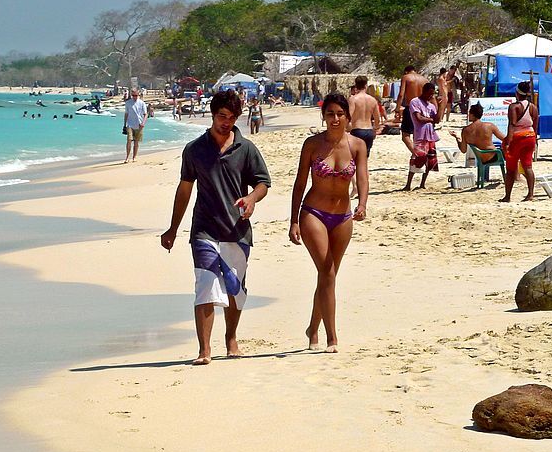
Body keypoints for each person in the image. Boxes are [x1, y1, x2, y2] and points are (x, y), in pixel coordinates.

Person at [160, 90, 271, 365]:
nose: (226, 122)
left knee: (235, 290)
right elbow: (185, 189)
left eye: (232, 118)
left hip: (236, 228)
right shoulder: (195, 150)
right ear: (212, 114)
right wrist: (173, 228)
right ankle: (204, 350)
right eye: (222, 116)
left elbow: (263, 183)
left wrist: (251, 198)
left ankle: (231, 338)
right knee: (206, 285)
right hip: (204, 229)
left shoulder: (246, 149)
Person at [289, 94, 368, 353]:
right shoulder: (312, 144)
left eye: (339, 114)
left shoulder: (357, 145)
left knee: (328, 277)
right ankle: (331, 337)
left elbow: (364, 178)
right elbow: (300, 183)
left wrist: (363, 204)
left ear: (347, 117)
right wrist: (293, 220)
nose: (334, 119)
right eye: (330, 113)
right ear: (324, 116)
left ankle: (312, 328)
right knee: (327, 271)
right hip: (314, 213)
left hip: (343, 216)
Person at [501, 81, 539, 202]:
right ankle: (531, 194)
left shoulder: (514, 106)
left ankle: (507, 196)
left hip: (517, 137)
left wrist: (508, 141)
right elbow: (535, 125)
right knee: (527, 166)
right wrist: (535, 139)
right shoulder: (533, 107)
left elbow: (512, 124)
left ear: (517, 92)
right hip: (530, 136)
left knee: (511, 168)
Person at [404, 83, 440, 191]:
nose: (430, 96)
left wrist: (439, 105)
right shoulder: (415, 102)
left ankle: (422, 183)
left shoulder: (431, 106)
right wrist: (430, 119)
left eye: (432, 94)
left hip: (430, 135)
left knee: (430, 160)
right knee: (417, 157)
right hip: (420, 134)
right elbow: (419, 118)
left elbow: (437, 119)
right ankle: (408, 184)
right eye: (429, 94)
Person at [395, 65, 427, 154]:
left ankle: (416, 153)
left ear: (406, 71)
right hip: (422, 109)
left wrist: (397, 109)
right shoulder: (424, 79)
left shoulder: (406, 77)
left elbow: (401, 94)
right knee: (419, 134)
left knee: (405, 135)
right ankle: (420, 152)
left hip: (411, 108)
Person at [347, 75, 381, 155]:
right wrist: (375, 130)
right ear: (366, 85)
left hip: (357, 130)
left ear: (356, 85)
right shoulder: (373, 100)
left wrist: (347, 128)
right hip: (369, 131)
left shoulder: (353, 99)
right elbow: (377, 119)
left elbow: (348, 116)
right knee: (365, 157)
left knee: (355, 157)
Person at [123, 88, 148, 162]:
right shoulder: (128, 103)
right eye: (133, 95)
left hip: (139, 124)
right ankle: (127, 157)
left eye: (136, 95)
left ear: (138, 95)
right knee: (129, 140)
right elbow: (126, 114)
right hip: (130, 124)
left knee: (136, 142)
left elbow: (146, 114)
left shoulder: (142, 103)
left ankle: (134, 157)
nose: (135, 97)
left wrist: (143, 123)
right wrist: (124, 124)